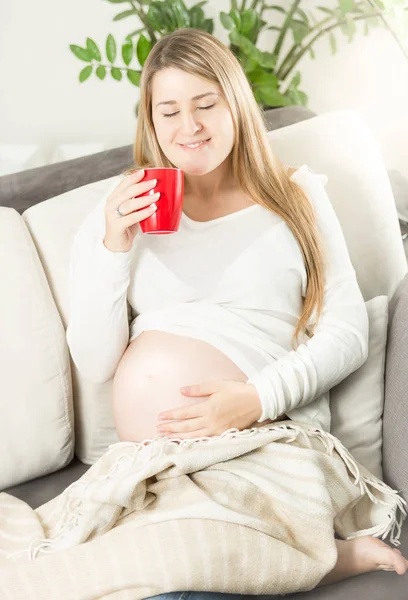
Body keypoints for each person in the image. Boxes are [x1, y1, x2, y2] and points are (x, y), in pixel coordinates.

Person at [66, 28, 408, 600]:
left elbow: (346, 333)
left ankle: (302, 552)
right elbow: (97, 363)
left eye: (206, 104)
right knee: (151, 571)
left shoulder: (295, 196)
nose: (189, 126)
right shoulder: (119, 214)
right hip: (158, 467)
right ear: (150, 120)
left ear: (236, 104)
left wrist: (254, 398)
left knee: (181, 575)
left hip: (264, 439)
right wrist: (113, 247)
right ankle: (315, 559)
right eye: (168, 110)